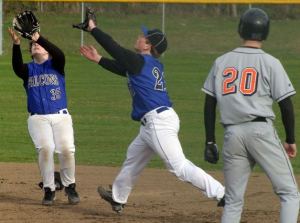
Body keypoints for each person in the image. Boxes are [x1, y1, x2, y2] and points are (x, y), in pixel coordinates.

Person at [75, 11, 225, 214]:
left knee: (179, 167)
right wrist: (99, 59)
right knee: (133, 157)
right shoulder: (148, 64)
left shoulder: (139, 61)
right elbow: (123, 68)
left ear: (148, 46)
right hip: (155, 121)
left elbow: (115, 48)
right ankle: (118, 197)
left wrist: (93, 29)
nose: (139, 38)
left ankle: (223, 193)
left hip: (158, 123)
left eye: (143, 37)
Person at [202, 8, 300, 223]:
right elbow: (286, 105)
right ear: (266, 32)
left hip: (232, 134)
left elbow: (209, 103)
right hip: (260, 132)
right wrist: (290, 139)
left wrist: (210, 140)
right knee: (289, 193)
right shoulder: (271, 63)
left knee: (233, 200)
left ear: (241, 29)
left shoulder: (221, 61)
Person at [8, 14, 80, 206]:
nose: (36, 46)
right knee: (46, 149)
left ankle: (70, 185)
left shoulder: (56, 65)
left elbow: (59, 53)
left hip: (60, 117)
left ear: (47, 51)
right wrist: (16, 45)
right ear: (31, 53)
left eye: (39, 45)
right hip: (37, 118)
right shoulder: (28, 70)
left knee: (66, 149)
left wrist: (38, 37)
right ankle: (49, 189)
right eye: (32, 46)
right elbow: (16, 67)